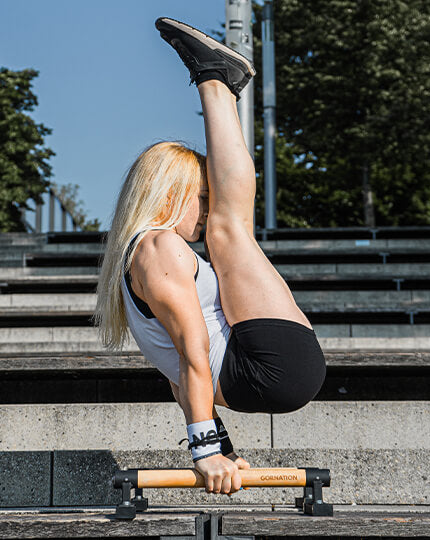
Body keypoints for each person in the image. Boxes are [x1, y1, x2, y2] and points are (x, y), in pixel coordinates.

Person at [94, 18, 326, 496]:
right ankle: (216, 83)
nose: (205, 208)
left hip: (260, 375)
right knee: (231, 228)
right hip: (269, 367)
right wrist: (205, 451)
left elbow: (179, 379)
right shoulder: (158, 246)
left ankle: (218, 79)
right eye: (201, 195)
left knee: (228, 229)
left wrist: (219, 443)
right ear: (169, 192)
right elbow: (192, 356)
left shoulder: (137, 262)